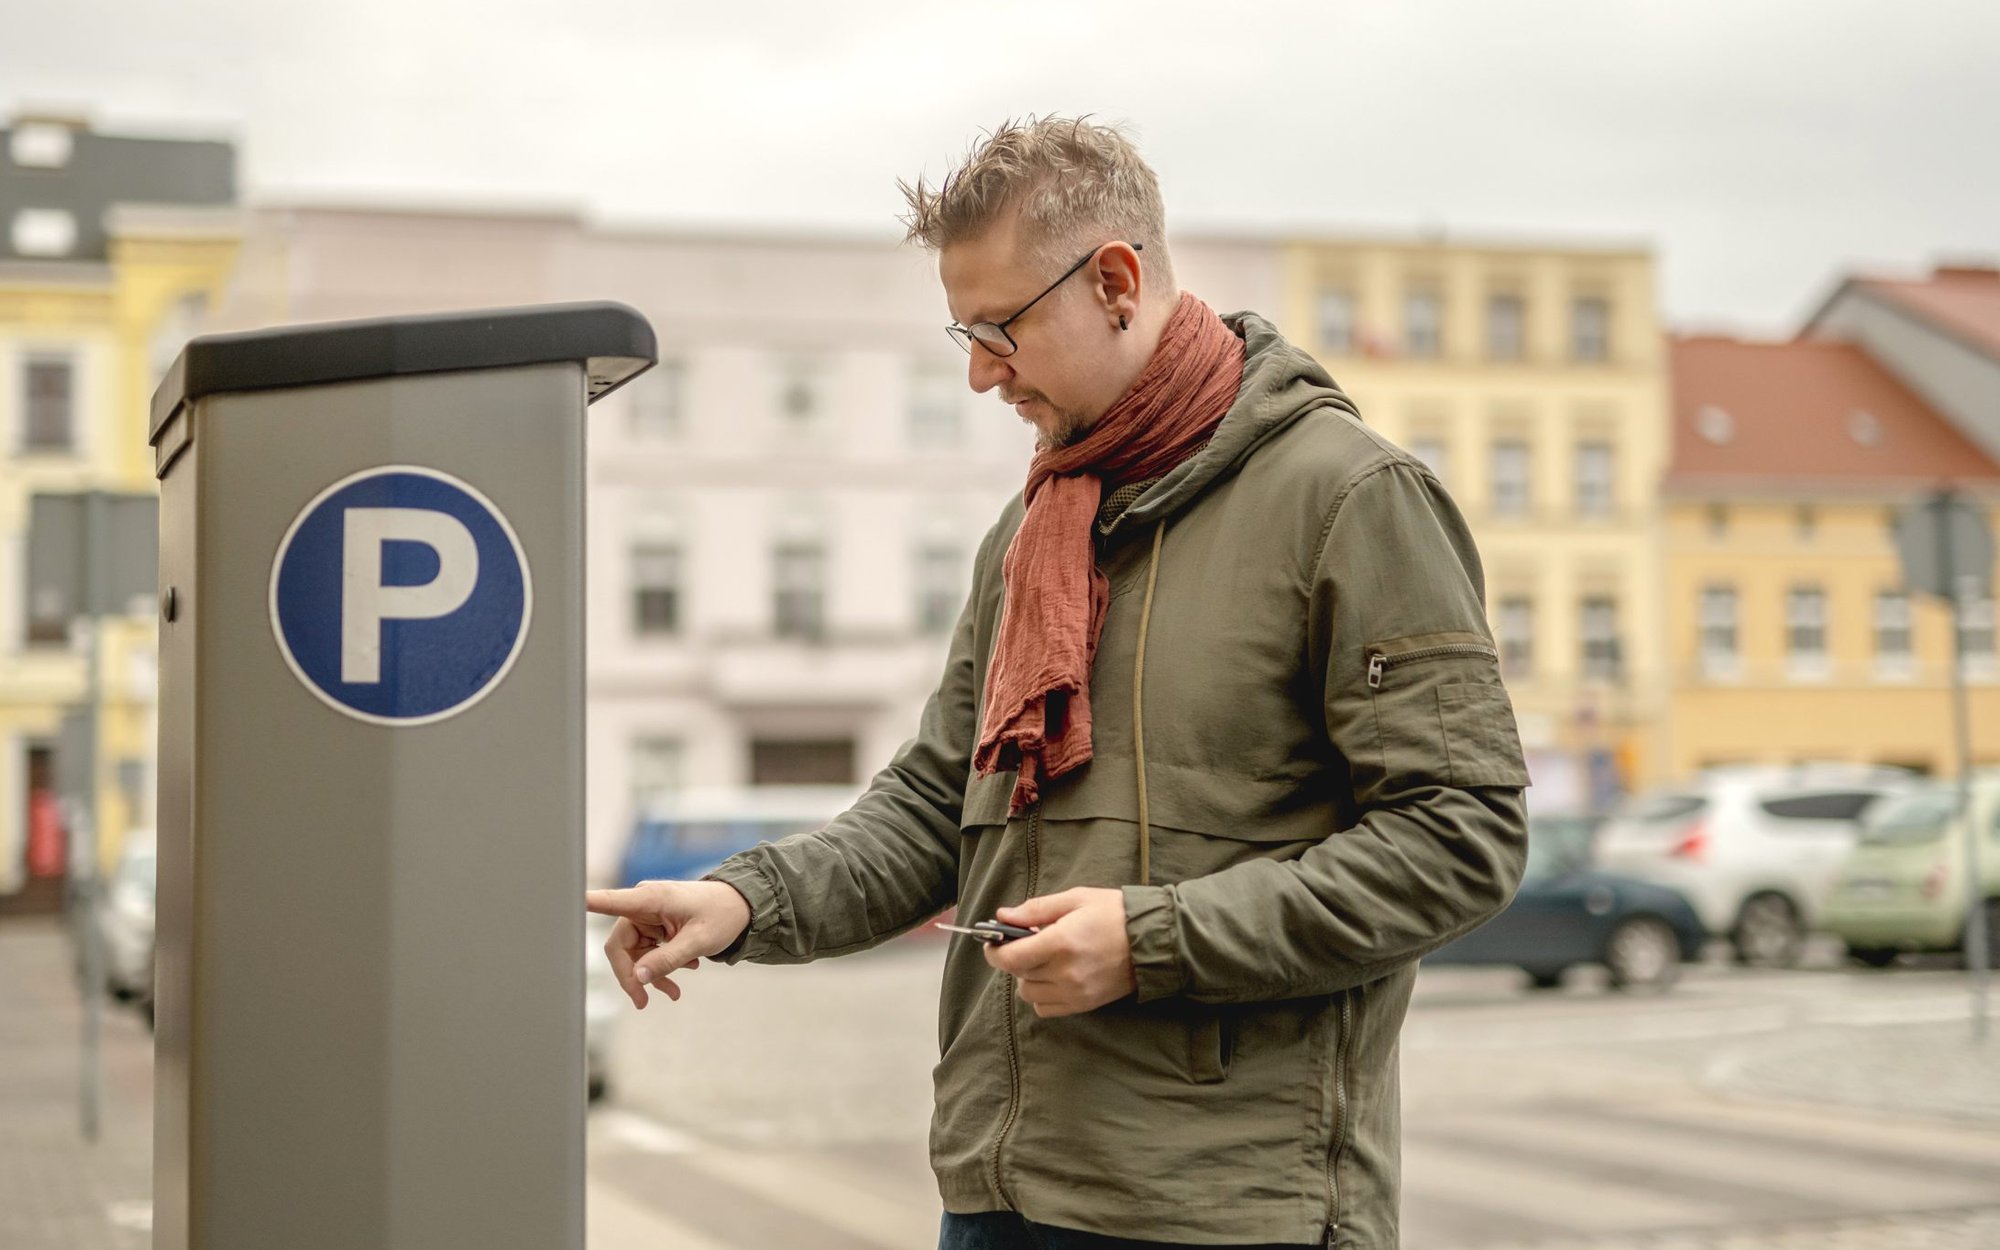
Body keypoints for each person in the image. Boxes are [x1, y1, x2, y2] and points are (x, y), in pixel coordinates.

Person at [587, 115, 1530, 1250]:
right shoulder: (1034, 527)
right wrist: (745, 901)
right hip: (1000, 1196)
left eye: (1001, 329)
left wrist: (1150, 938)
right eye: (965, 334)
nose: (980, 372)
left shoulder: (1349, 499)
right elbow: (935, 805)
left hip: (1228, 1213)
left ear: (1115, 284)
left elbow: (1460, 837)